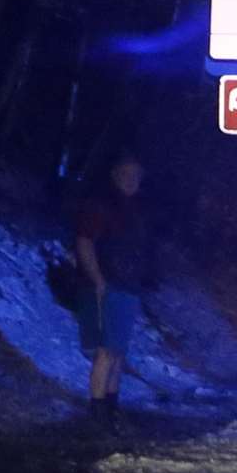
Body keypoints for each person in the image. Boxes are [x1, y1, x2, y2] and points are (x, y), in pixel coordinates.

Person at [75, 152, 154, 430]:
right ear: (115, 175)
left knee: (118, 352)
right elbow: (84, 242)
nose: (131, 180)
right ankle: (97, 412)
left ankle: (111, 406)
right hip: (107, 285)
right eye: (126, 174)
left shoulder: (134, 209)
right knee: (106, 352)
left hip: (128, 286)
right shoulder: (101, 205)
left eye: (136, 175)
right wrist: (97, 280)